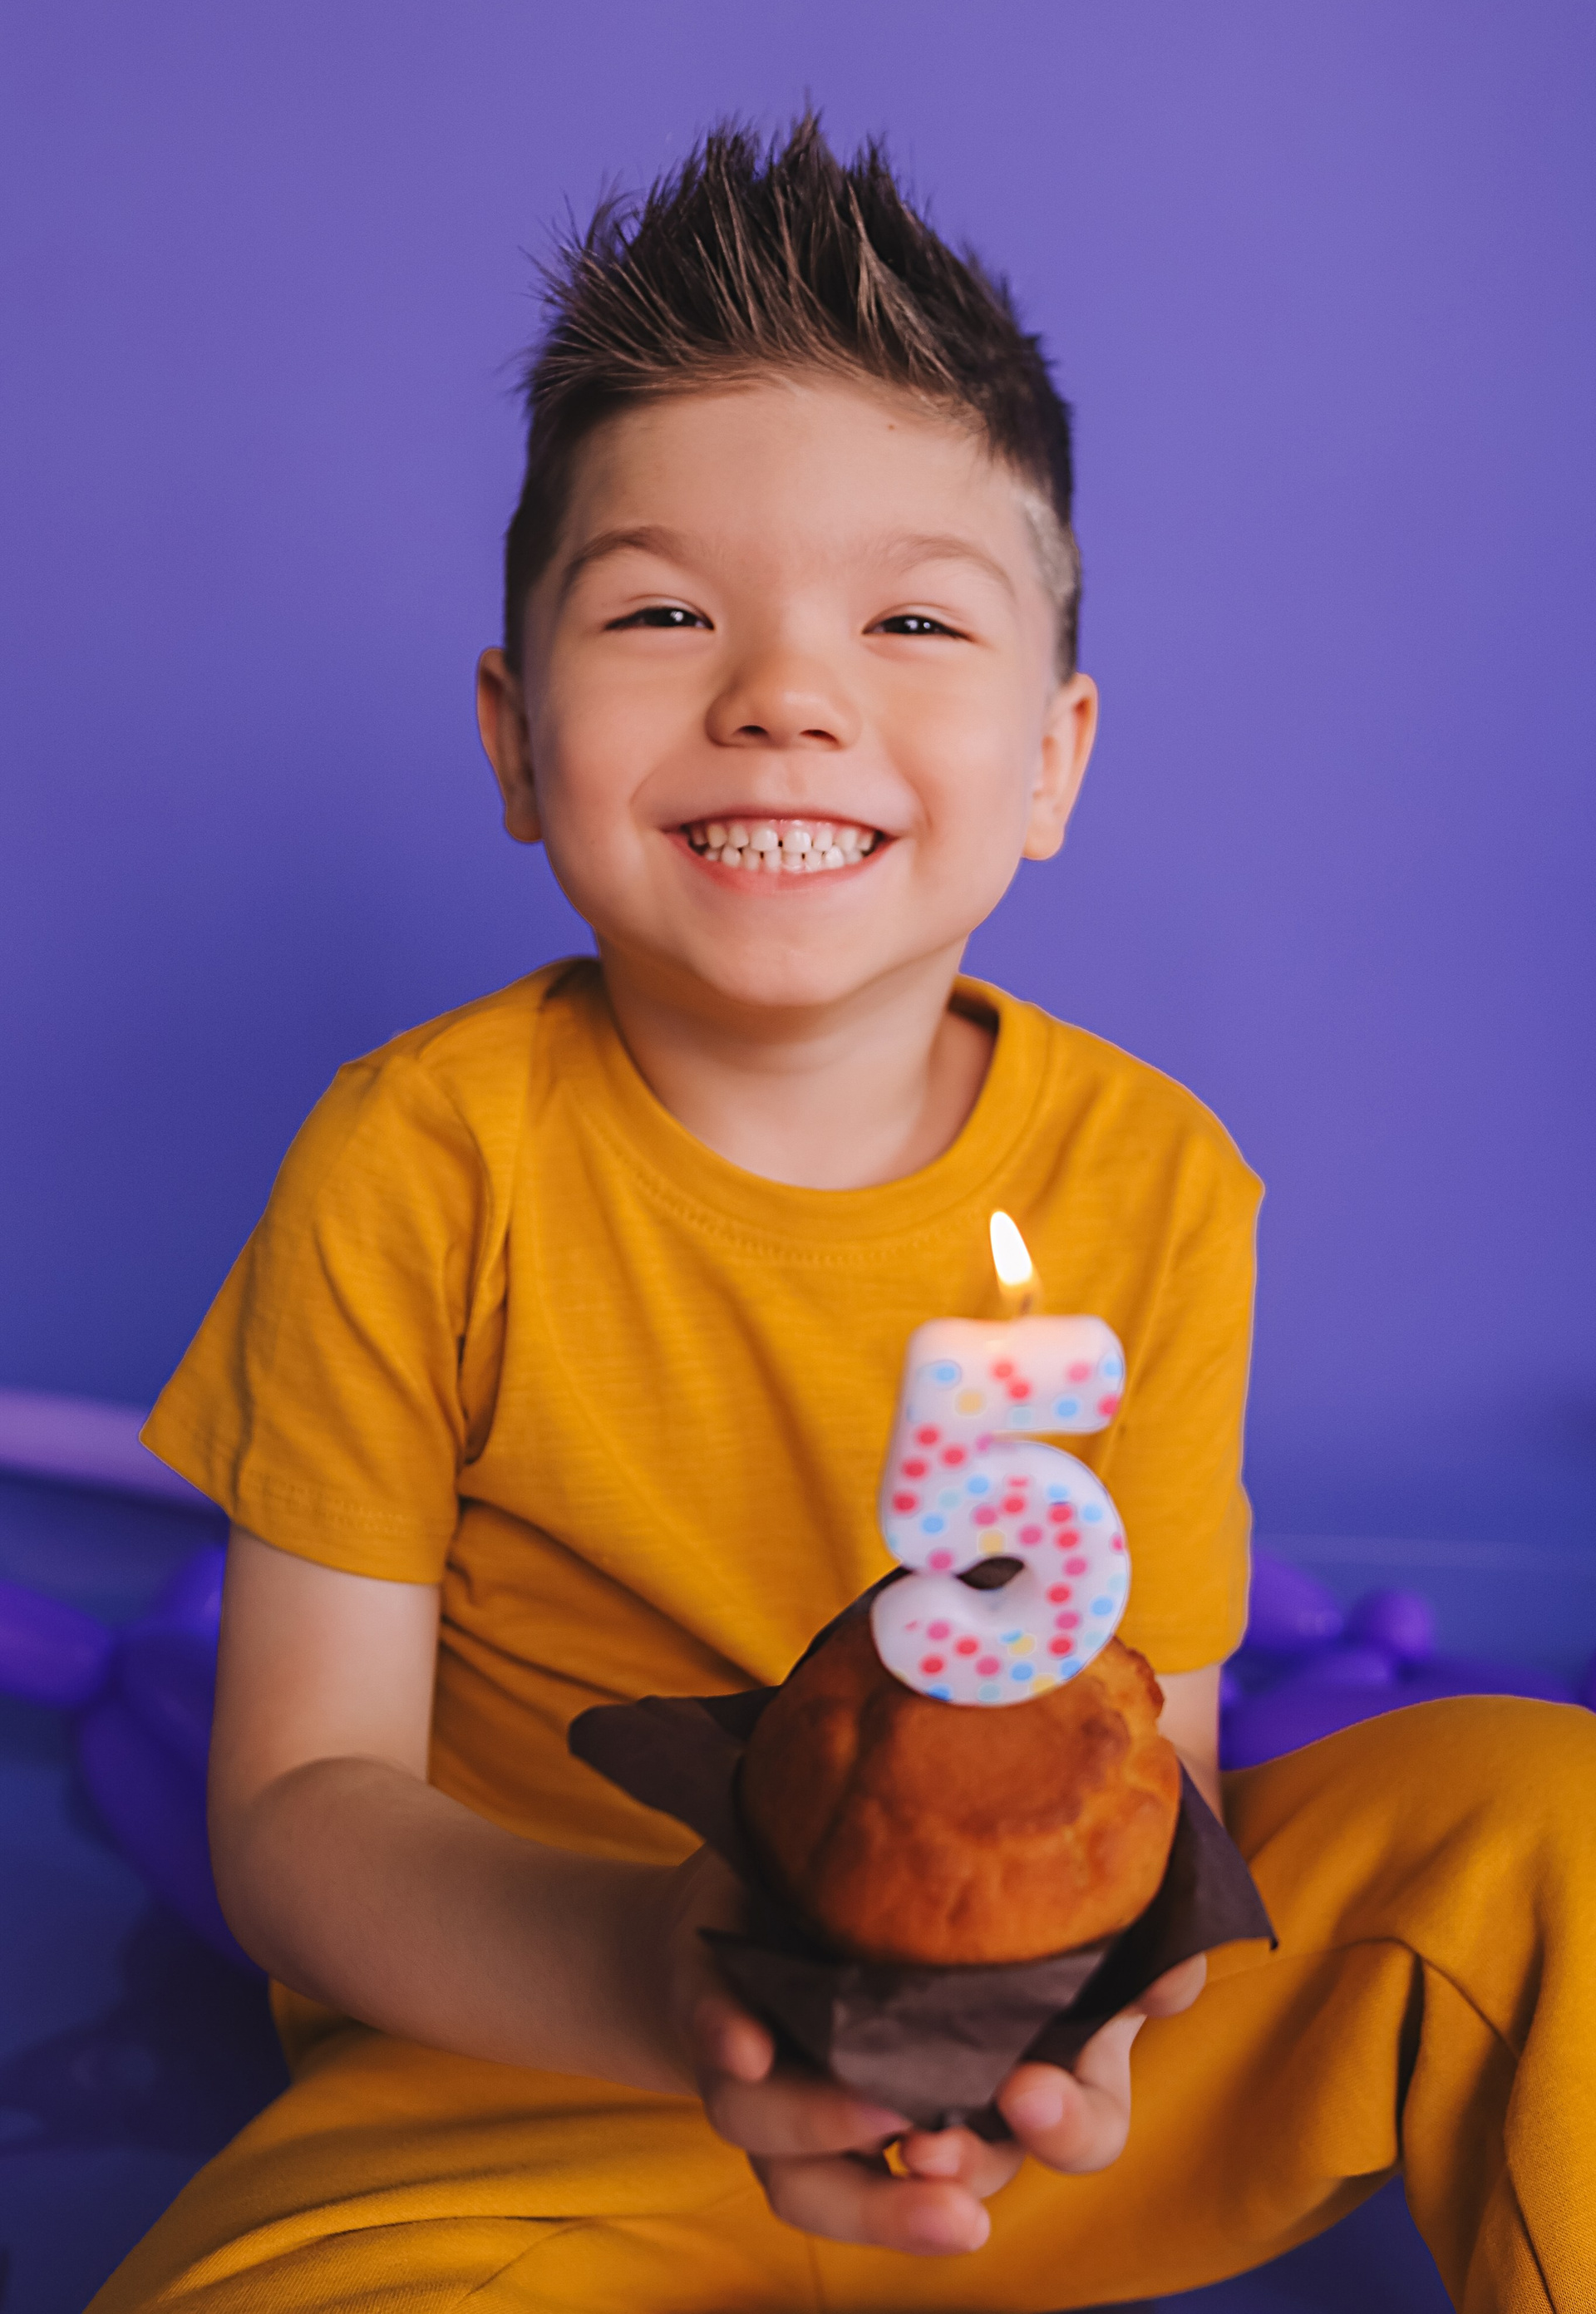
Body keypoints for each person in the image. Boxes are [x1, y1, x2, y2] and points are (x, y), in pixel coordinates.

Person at [93, 121, 1593, 2313]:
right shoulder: (416, 1159)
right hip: (536, 2089)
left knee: (1549, 1825)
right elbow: (300, 1810)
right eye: (662, 612)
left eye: (908, 618)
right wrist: (664, 1970)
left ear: (1054, 756)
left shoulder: (1158, 1181)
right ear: (514, 738)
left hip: (1059, 2115)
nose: (786, 693)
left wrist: (1064, 2030)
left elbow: (1151, 1770)